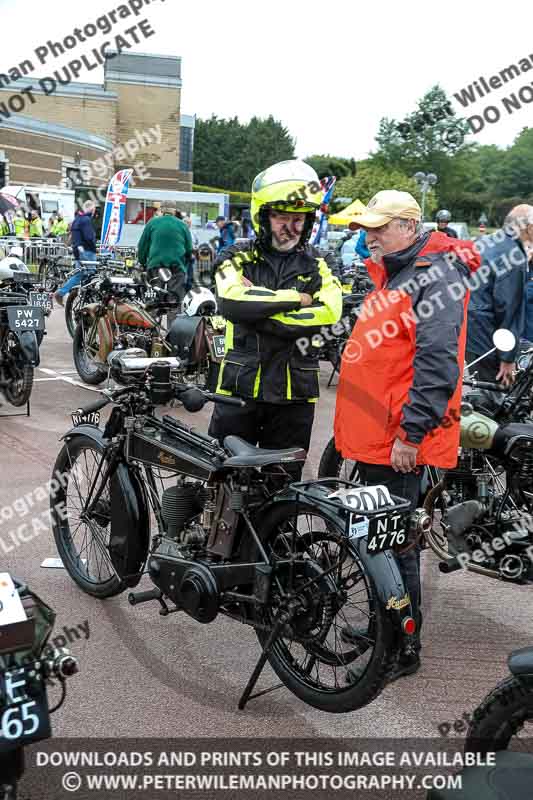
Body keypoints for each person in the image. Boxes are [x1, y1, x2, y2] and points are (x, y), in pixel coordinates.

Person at [334, 190, 481, 682]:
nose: (368, 236)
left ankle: (401, 645)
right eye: (366, 227)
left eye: (378, 227)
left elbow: (438, 364)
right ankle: (386, 627)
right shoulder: (401, 271)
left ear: (407, 225)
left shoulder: (433, 275)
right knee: (378, 537)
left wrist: (411, 436)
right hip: (379, 435)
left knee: (397, 543)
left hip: (399, 440)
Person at [209, 159, 342, 478]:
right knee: (224, 482)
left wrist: (258, 313)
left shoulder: (321, 263)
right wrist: (297, 299)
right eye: (282, 214)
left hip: (294, 397)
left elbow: (330, 313)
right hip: (238, 392)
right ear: (264, 216)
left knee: (284, 488)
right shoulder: (235, 256)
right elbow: (231, 301)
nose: (291, 224)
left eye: (299, 217)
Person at [466, 205, 532, 386]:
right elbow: (509, 309)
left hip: (468, 329)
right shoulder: (514, 257)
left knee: (472, 388)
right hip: (487, 336)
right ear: (529, 228)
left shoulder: (486, 242)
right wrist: (508, 357)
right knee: (490, 395)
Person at [137, 201, 193, 322]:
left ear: (161, 210)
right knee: (174, 301)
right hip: (177, 266)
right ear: (174, 211)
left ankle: (151, 333)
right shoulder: (182, 225)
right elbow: (189, 250)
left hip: (156, 265)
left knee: (153, 299)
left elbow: (142, 246)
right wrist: (184, 265)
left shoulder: (152, 223)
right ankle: (172, 336)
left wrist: (142, 262)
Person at [54, 200, 97, 306]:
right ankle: (84, 299)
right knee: (89, 274)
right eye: (94, 209)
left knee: (81, 274)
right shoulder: (86, 220)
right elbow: (88, 237)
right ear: (92, 209)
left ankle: (75, 296)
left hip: (78, 251)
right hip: (86, 251)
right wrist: (94, 247)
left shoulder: (77, 219)